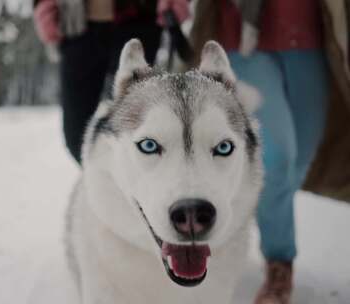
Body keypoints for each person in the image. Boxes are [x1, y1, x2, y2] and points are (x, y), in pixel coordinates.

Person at [186, 0, 350, 303]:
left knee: (299, 162)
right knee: (276, 160)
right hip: (244, 41)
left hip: (310, 40)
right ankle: (279, 262)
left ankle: (243, 210)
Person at [33, 0, 189, 163]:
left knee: (136, 128)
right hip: (77, 22)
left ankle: (134, 182)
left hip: (139, 19)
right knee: (76, 137)